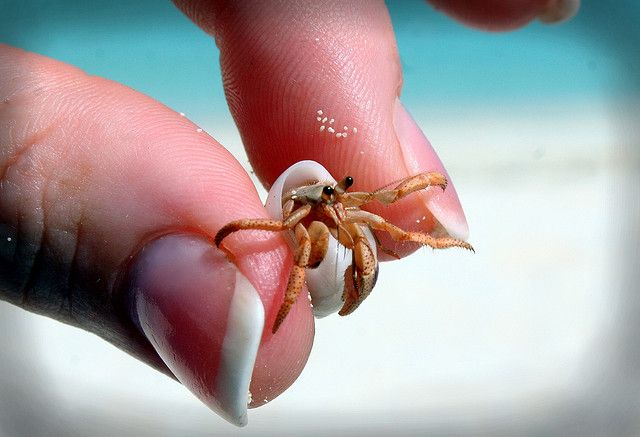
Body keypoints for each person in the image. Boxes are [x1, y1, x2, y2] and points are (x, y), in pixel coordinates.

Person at [0, 0, 578, 426]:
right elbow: (261, 231)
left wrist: (426, 217)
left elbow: (379, 212)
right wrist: (251, 252)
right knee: (307, 255)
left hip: (317, 212)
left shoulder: (341, 204)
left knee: (382, 220)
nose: (341, 206)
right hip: (294, 225)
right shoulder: (297, 226)